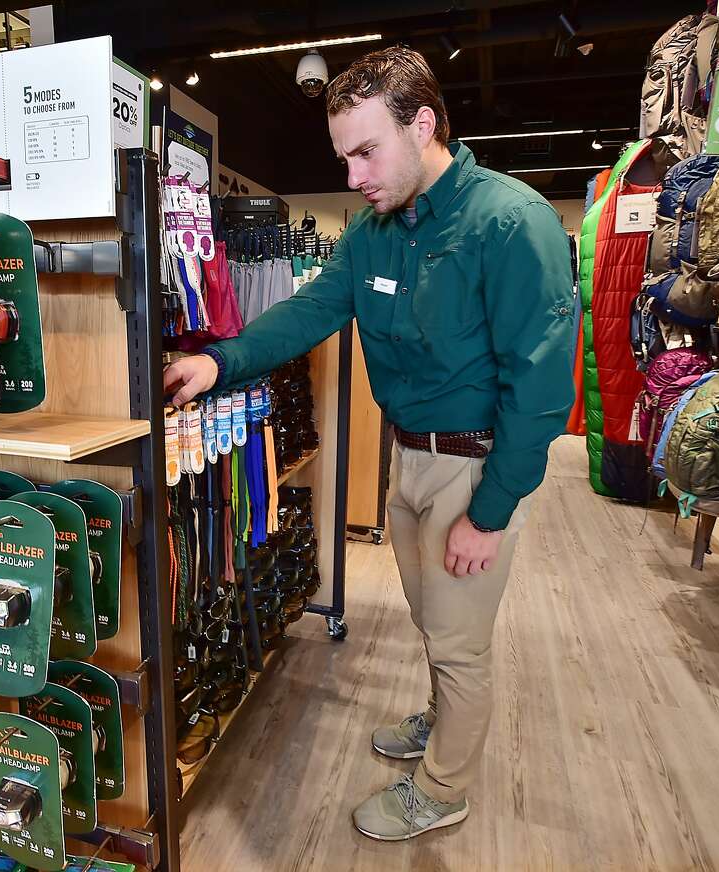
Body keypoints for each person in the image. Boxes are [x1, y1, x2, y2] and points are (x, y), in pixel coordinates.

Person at [164, 46, 575, 841]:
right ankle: (439, 719)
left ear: (423, 125)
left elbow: (542, 390)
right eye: (344, 157)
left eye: (365, 151)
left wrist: (489, 516)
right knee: (431, 619)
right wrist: (218, 360)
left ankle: (444, 787)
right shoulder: (374, 233)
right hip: (409, 457)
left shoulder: (512, 221)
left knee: (460, 643)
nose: (353, 176)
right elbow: (309, 311)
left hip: (477, 465)